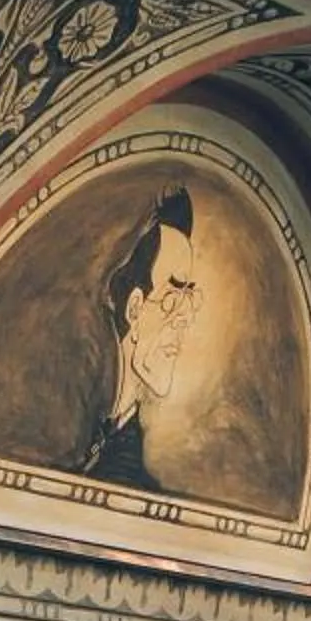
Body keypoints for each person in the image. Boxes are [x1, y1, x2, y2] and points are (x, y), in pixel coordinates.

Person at [78, 187, 198, 492]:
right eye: (172, 298)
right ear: (133, 307)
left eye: (190, 298)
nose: (185, 318)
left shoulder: (129, 459)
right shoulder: (70, 434)